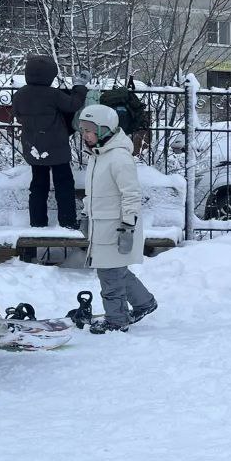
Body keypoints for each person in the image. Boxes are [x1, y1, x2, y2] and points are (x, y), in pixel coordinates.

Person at [76, 104, 158, 334]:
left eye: (90, 130)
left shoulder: (119, 158)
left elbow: (131, 194)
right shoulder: (97, 155)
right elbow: (93, 192)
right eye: (83, 130)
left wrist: (128, 226)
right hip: (101, 224)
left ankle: (117, 319)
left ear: (105, 130)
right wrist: (85, 214)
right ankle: (144, 302)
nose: (86, 135)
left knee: (109, 274)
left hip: (117, 227)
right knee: (117, 270)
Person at [13, 55, 89, 230]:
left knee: (38, 185)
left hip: (34, 147)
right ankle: (67, 221)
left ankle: (37, 222)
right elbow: (73, 105)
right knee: (64, 184)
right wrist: (79, 87)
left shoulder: (20, 95)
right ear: (49, 75)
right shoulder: (53, 95)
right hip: (56, 148)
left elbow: (17, 114)